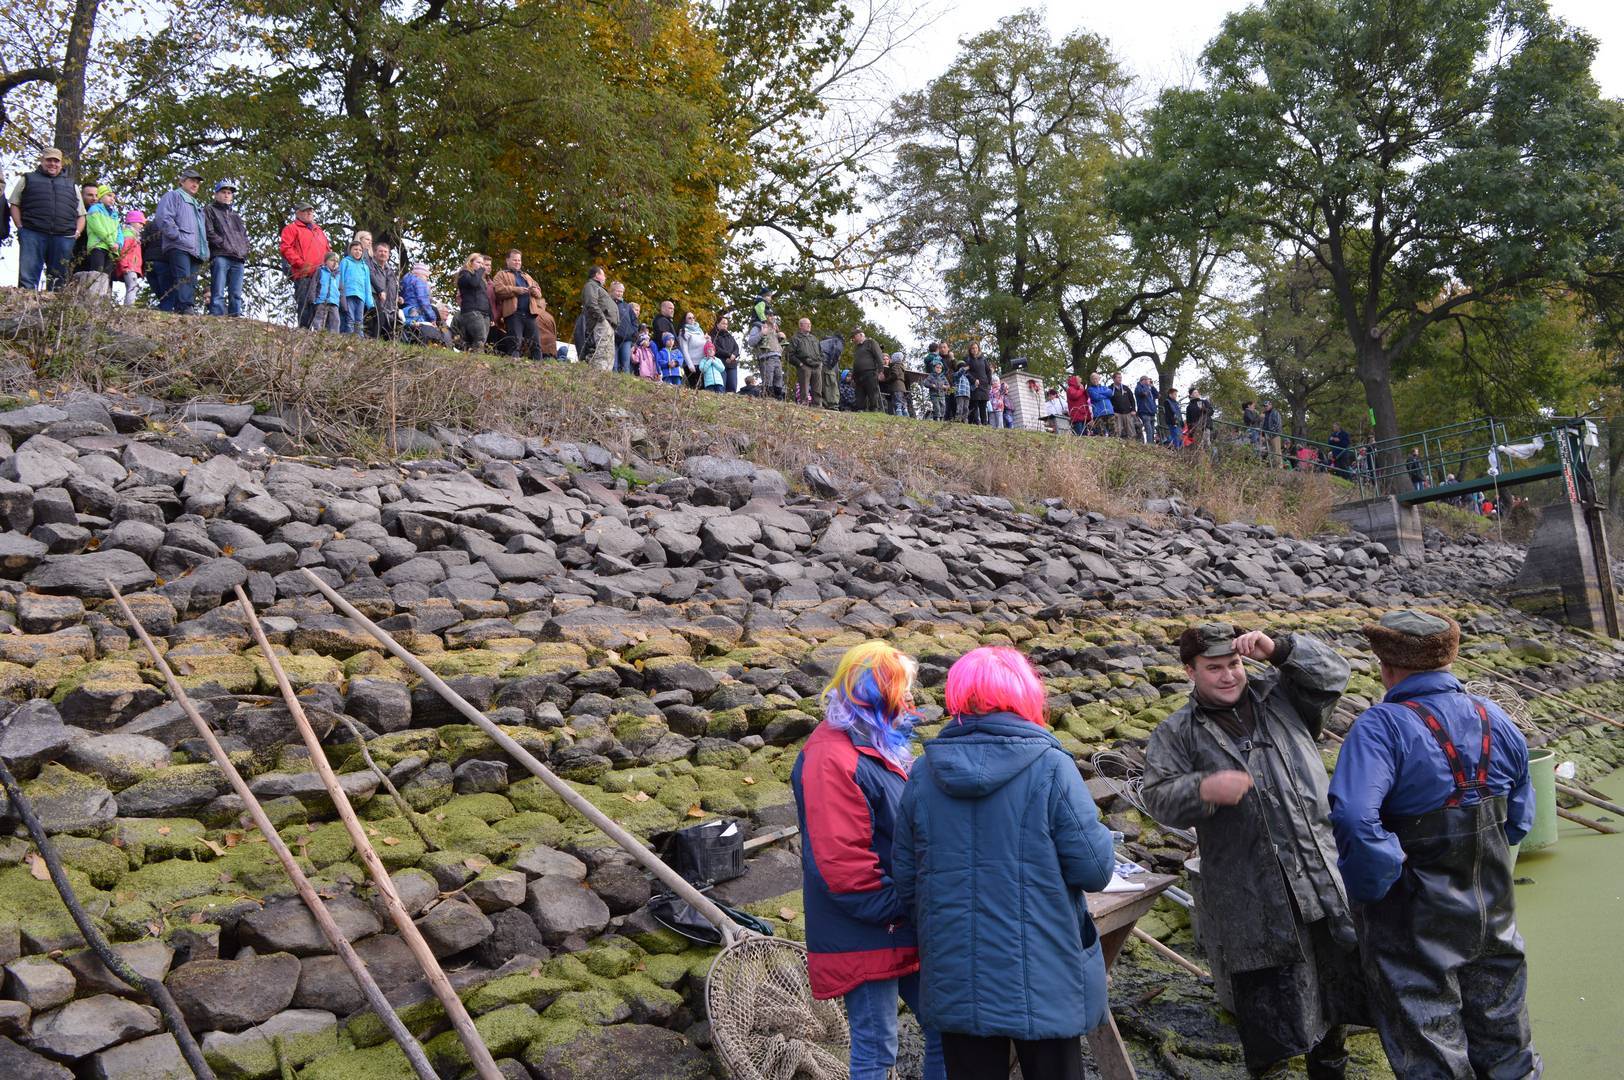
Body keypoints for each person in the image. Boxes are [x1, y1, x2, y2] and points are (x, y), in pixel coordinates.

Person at [1143, 622, 1365, 1080]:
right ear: (1190, 671)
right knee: (1269, 1028)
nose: (1229, 676)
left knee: (1337, 1006)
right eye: (1214, 668)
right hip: (1253, 901)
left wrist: (1280, 648)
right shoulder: (1176, 732)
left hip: (1321, 883)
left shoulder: (1284, 698)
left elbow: (1335, 675)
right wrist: (1204, 787)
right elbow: (1158, 798)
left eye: (1235, 664)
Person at [1329, 611, 1538, 1080]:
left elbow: (1354, 817)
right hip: (1493, 907)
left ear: (1386, 666)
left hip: (1414, 918)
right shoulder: (1496, 717)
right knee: (1506, 1040)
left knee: (1429, 1045)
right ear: (1451, 656)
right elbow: (1522, 816)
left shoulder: (1380, 728)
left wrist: (1375, 888)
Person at [894, 647, 1114, 1080]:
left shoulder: (923, 773)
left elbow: (906, 879)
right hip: (1045, 975)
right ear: (1024, 694)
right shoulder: (1052, 766)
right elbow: (1094, 869)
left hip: (956, 976)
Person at [791, 643, 945, 1080]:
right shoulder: (830, 758)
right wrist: (906, 902)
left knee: (945, 1028)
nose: (912, 701)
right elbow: (842, 866)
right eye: (905, 691)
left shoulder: (880, 743)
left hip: (900, 919)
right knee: (878, 1047)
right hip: (867, 928)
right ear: (879, 695)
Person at [11, 149, 86, 292]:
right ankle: (25, 308)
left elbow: (81, 214)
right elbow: (14, 203)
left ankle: (54, 311)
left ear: (61, 163)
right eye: (49, 160)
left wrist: (76, 232)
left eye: (56, 161)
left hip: (63, 236)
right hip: (32, 233)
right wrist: (20, 227)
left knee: (59, 278)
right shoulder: (27, 179)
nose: (52, 164)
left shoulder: (71, 185)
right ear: (42, 161)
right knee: (28, 277)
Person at [150, 168, 210, 313]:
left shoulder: (197, 205)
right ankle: (185, 307)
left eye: (197, 182)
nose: (195, 184)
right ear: (182, 181)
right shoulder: (173, 196)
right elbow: (163, 217)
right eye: (192, 181)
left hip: (196, 249)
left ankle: (183, 307)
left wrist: (205, 248)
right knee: (182, 277)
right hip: (179, 245)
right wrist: (176, 236)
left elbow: (202, 231)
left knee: (192, 280)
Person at [198, 180, 248, 317]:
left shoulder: (235, 215)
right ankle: (217, 314)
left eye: (229, 193)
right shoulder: (209, 209)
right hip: (220, 254)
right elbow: (209, 232)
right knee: (218, 288)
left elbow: (244, 236)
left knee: (236, 292)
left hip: (238, 257)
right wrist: (224, 244)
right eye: (223, 192)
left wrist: (244, 250)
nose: (226, 195)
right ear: (216, 194)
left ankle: (235, 315)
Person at [279, 201, 329, 329]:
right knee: (305, 302)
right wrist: (300, 264)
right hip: (304, 273)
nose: (309, 213)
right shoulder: (291, 228)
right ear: (298, 213)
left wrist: (330, 266)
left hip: (321, 274)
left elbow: (327, 249)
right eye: (306, 211)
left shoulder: (318, 230)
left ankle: (317, 333)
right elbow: (286, 248)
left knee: (320, 304)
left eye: (311, 211)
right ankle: (303, 330)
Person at [492, 250, 543, 360]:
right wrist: (516, 290)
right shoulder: (501, 274)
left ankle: (540, 368)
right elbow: (498, 290)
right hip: (514, 314)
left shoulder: (527, 276)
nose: (517, 262)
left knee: (536, 345)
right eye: (514, 260)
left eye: (519, 260)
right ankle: (514, 366)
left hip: (530, 314)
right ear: (507, 260)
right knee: (515, 343)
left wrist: (534, 290)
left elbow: (539, 293)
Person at [581, 265, 618, 371]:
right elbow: (591, 303)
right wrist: (602, 319)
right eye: (603, 275)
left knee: (608, 353)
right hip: (601, 323)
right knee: (602, 351)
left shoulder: (598, 288)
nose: (605, 277)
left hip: (607, 324)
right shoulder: (591, 285)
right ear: (597, 275)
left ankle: (604, 378)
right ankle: (599, 375)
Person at [401, 263, 448, 345]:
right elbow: (424, 301)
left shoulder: (405, 280)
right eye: (427, 276)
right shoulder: (419, 281)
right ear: (421, 274)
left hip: (406, 310)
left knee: (409, 329)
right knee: (421, 331)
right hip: (417, 311)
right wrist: (432, 318)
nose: (427, 279)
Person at [82, 185, 123, 279]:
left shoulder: (114, 214)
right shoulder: (94, 209)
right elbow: (98, 228)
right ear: (100, 197)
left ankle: (102, 294)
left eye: (114, 197)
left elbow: (119, 231)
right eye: (109, 195)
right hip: (98, 246)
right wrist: (111, 242)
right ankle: (92, 293)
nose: (112, 199)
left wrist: (118, 243)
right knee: (96, 273)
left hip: (112, 249)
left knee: (106, 276)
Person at [453, 253, 492, 351]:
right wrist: (480, 271)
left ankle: (472, 360)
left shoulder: (480, 278)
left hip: (484, 313)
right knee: (480, 337)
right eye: (478, 262)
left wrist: (491, 315)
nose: (481, 265)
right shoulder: (464, 274)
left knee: (480, 341)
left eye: (482, 263)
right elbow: (473, 283)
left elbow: (485, 296)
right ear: (470, 262)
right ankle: (478, 360)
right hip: (472, 311)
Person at [364, 240, 400, 340]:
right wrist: (379, 291)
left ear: (389, 255)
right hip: (374, 296)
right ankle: (371, 340)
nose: (383, 254)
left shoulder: (390, 271)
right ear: (375, 253)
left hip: (389, 302)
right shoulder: (370, 265)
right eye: (380, 251)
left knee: (389, 324)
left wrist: (398, 296)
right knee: (375, 319)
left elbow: (394, 287)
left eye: (385, 252)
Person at [337, 239, 374, 336]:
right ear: (350, 250)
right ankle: (349, 338)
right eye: (355, 249)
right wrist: (340, 295)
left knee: (359, 319)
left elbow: (367, 285)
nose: (358, 252)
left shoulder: (365, 267)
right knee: (350, 318)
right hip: (348, 294)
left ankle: (359, 340)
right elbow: (340, 279)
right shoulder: (345, 262)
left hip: (361, 296)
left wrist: (369, 302)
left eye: (360, 250)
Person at [789, 317, 823, 407]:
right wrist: (800, 364)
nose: (809, 325)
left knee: (818, 389)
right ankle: (804, 406)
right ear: (800, 326)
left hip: (817, 366)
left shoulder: (815, 339)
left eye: (810, 324)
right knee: (804, 389)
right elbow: (789, 355)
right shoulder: (795, 339)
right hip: (804, 366)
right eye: (806, 323)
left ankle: (817, 406)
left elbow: (821, 352)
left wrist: (820, 363)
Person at [114, 210, 145, 305]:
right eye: (139, 223)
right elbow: (124, 252)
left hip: (132, 266)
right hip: (129, 266)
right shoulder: (128, 235)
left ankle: (128, 306)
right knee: (133, 286)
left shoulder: (134, 236)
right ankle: (129, 307)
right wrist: (125, 266)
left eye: (142, 224)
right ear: (132, 222)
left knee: (131, 286)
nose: (141, 226)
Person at [752, 315, 786, 399]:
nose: (773, 317)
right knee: (768, 381)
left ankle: (778, 401)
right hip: (766, 358)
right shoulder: (758, 327)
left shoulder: (775, 329)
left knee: (779, 379)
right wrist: (761, 333)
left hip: (778, 357)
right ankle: (768, 400)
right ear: (764, 316)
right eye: (770, 315)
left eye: (773, 316)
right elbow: (751, 342)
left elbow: (780, 346)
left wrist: (782, 339)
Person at [851, 329, 884, 412]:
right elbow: (855, 361)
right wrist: (853, 375)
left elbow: (879, 356)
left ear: (861, 335)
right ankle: (861, 409)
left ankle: (874, 409)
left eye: (854, 337)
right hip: (858, 375)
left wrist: (881, 371)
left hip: (870, 372)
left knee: (872, 392)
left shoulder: (871, 343)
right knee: (859, 394)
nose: (853, 339)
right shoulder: (856, 348)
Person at [311, 252, 343, 333]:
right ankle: (317, 334)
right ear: (325, 261)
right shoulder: (320, 271)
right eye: (332, 260)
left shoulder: (339, 275)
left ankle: (333, 338)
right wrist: (312, 297)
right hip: (321, 300)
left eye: (337, 261)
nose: (335, 263)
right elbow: (314, 284)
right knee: (319, 318)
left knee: (335, 320)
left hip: (334, 302)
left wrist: (343, 304)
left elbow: (341, 290)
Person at [612, 282, 638, 374]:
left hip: (626, 339)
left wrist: (633, 333)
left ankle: (626, 385)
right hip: (613, 338)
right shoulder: (609, 303)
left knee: (625, 365)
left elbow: (634, 321)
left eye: (622, 292)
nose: (620, 293)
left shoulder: (627, 306)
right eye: (618, 291)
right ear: (612, 291)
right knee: (613, 364)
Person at [964, 342, 992, 425]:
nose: (974, 350)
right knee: (974, 405)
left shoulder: (983, 359)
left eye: (976, 348)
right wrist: (973, 380)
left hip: (984, 385)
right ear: (970, 350)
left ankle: (985, 423)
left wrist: (988, 382)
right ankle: (975, 423)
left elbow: (988, 371)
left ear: (978, 348)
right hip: (974, 385)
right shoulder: (968, 360)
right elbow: (966, 372)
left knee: (983, 405)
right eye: (972, 348)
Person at [712, 315, 741, 392]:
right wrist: (729, 355)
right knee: (722, 386)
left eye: (726, 324)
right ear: (717, 324)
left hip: (732, 363)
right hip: (720, 363)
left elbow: (736, 348)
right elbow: (716, 348)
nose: (725, 325)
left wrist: (734, 355)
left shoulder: (729, 336)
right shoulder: (714, 335)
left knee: (732, 386)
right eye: (723, 323)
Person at [678, 311, 708, 385]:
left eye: (693, 318)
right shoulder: (684, 332)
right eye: (689, 318)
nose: (692, 319)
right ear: (685, 320)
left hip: (702, 363)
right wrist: (690, 365)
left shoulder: (700, 330)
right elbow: (684, 350)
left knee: (704, 389)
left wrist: (708, 340)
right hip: (692, 364)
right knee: (694, 387)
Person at [818, 332, 845, 409]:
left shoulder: (823, 342)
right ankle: (833, 405)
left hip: (819, 364)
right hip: (827, 364)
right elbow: (836, 352)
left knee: (822, 384)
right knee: (831, 384)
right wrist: (831, 364)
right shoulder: (837, 341)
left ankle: (823, 403)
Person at [1110, 372, 1136, 438]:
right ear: (1114, 379)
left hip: (1127, 412)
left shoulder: (1125, 388)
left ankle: (1132, 444)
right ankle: (1117, 444)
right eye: (1118, 377)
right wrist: (1112, 412)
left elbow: (1132, 399)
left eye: (1121, 377)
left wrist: (1133, 410)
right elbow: (1108, 401)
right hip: (1117, 413)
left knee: (1130, 430)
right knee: (1117, 430)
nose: (1120, 379)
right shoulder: (1110, 389)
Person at [1135, 376, 1159, 444]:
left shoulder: (1150, 389)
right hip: (1144, 412)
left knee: (1152, 429)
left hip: (1152, 412)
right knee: (1149, 430)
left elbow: (1157, 395)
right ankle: (1150, 444)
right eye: (1148, 380)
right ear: (1143, 380)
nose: (1149, 382)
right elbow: (1144, 394)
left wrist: (1152, 386)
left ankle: (1152, 443)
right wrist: (1146, 386)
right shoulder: (1139, 387)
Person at [1261, 400, 1284, 468]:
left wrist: (1270, 433)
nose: (1265, 407)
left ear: (1271, 405)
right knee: (1270, 451)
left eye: (1267, 406)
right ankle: (1272, 466)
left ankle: (1279, 467)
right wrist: (1263, 434)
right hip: (1266, 435)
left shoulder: (1275, 412)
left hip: (1274, 435)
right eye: (1264, 406)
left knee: (1276, 451)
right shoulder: (1264, 413)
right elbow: (1262, 425)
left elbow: (1278, 425)